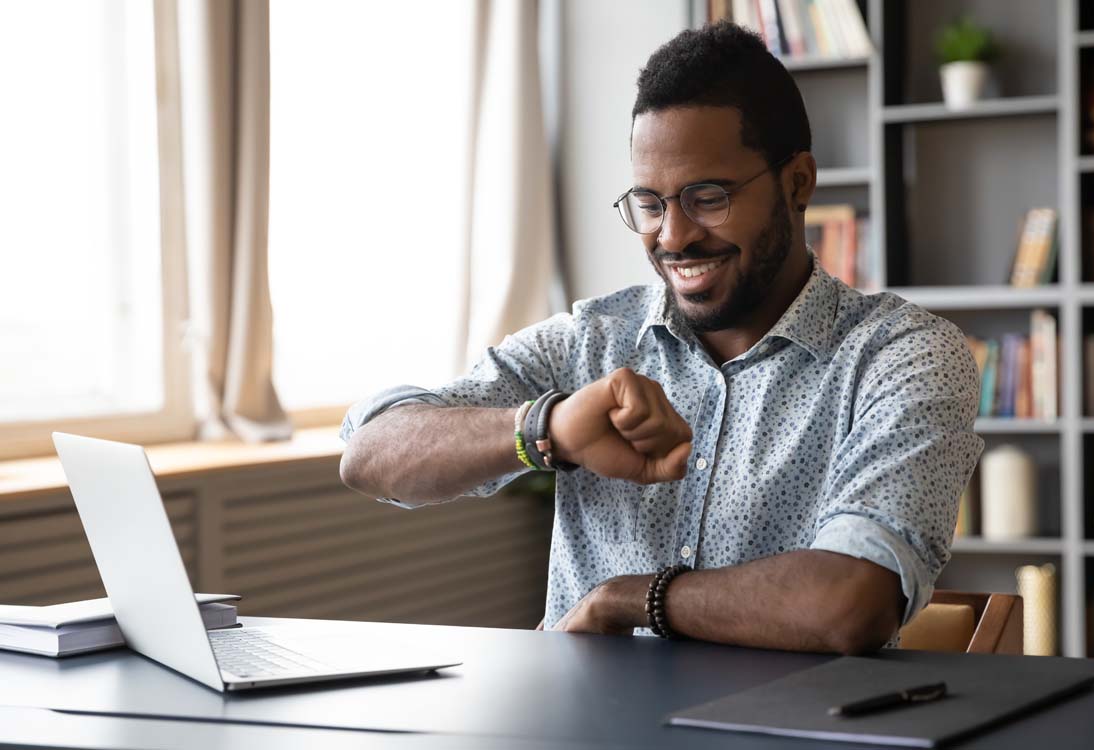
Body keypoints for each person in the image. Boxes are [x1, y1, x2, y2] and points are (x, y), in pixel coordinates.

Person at [339, 22, 983, 655]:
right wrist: (549, 426)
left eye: (708, 197)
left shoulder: (905, 357)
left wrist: (627, 600)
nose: (673, 236)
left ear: (798, 183)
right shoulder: (591, 341)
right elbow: (368, 454)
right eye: (650, 203)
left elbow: (850, 604)